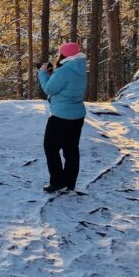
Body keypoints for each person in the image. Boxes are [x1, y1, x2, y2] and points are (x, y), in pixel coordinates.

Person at [38, 42, 87, 193]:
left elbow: (49, 89)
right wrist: (54, 75)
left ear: (64, 55)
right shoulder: (80, 68)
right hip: (77, 115)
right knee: (71, 149)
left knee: (50, 147)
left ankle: (57, 181)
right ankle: (70, 182)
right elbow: (66, 85)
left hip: (61, 116)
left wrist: (42, 73)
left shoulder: (64, 71)